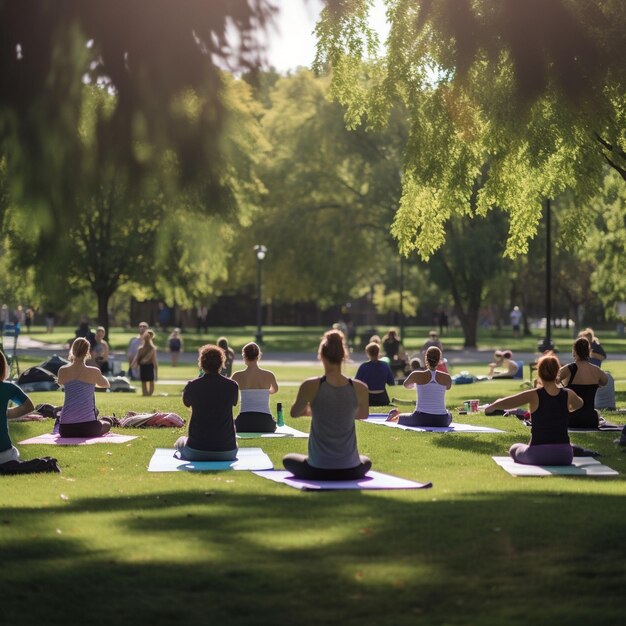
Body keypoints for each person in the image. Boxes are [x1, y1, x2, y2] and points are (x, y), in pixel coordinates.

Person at [282, 329, 371, 480]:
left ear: (321, 355)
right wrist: (340, 411)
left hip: (318, 469)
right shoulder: (360, 387)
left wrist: (314, 410)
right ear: (344, 356)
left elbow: (295, 412)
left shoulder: (310, 385)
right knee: (366, 462)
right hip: (350, 469)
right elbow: (363, 414)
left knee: (288, 459)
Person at [485, 355, 583, 465]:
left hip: (538, 454)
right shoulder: (568, 394)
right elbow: (579, 404)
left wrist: (491, 407)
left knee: (514, 448)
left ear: (539, 373)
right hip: (565, 455)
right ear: (557, 372)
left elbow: (509, 401)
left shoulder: (534, 394)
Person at [174, 344, 238, 461]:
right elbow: (234, 402)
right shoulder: (232, 386)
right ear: (221, 363)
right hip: (227, 451)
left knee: (180, 441)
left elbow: (187, 403)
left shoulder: (192, 385)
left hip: (197, 450)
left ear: (201, 363)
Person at [57, 338, 112, 437]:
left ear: (72, 350)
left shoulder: (62, 370)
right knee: (108, 422)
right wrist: (95, 377)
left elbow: (60, 382)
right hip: (88, 428)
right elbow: (106, 384)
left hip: (65, 429)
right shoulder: (94, 371)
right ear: (87, 352)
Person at [386, 346, 452, 427]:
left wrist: (417, 385)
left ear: (426, 359)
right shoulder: (447, 377)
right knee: (449, 414)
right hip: (442, 420)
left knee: (400, 417)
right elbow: (448, 387)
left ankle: (394, 416)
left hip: (420, 418)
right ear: (439, 360)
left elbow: (406, 385)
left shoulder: (416, 374)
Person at [557, 337, 608, 428]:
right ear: (588, 351)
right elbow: (605, 381)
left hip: (571, 419)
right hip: (591, 420)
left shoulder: (569, 368)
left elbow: (553, 380)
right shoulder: (596, 370)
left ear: (574, 351)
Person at [231, 342, 279, 432]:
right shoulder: (269, 375)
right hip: (265, 423)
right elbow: (275, 390)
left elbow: (228, 392)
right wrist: (265, 393)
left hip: (244, 423)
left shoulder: (237, 375)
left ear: (244, 356)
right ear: (258, 356)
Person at [354, 342, 395, 407]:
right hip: (383, 398)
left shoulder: (363, 366)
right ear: (378, 352)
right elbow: (391, 382)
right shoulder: (385, 365)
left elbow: (356, 383)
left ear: (368, 353)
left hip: (368, 399)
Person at [132, 329, 158, 396]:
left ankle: (149, 394)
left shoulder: (152, 348)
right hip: (143, 366)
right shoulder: (141, 348)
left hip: (149, 366)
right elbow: (137, 357)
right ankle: (145, 393)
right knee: (144, 381)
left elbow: (154, 360)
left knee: (151, 381)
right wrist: (133, 364)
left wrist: (156, 369)